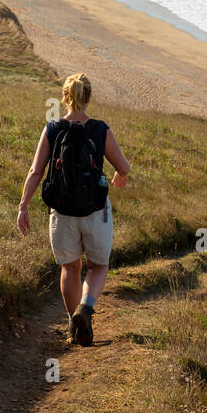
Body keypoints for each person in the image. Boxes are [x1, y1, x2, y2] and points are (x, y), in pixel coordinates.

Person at [17, 73, 130, 346]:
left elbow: (35, 172)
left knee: (70, 267)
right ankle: (86, 309)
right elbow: (123, 167)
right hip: (95, 211)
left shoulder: (53, 129)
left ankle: (73, 323)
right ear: (89, 97)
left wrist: (23, 207)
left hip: (62, 212)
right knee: (98, 266)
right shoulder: (100, 129)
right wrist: (119, 177)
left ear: (65, 98)